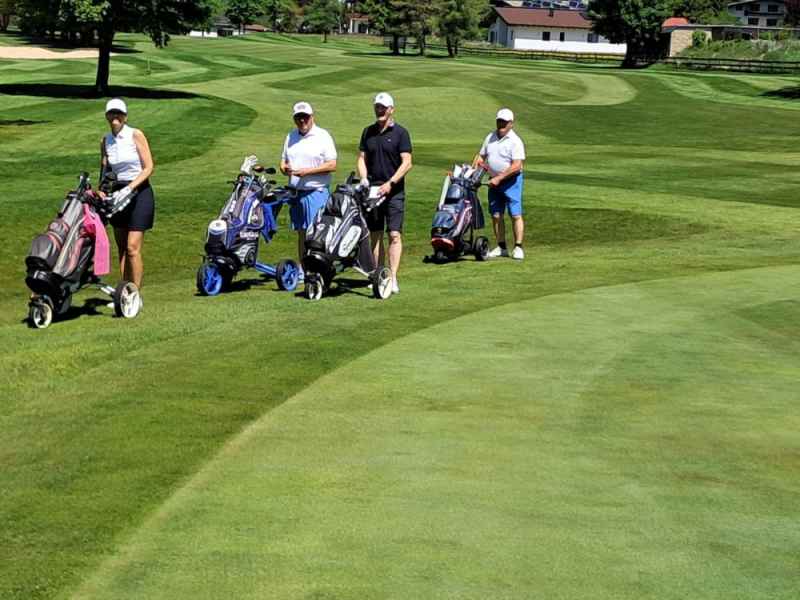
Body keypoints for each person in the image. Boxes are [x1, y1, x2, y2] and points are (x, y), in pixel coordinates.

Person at [356, 92, 412, 294]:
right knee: (375, 234)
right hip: (373, 191)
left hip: (394, 191)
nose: (379, 110)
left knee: (394, 234)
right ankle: (378, 275)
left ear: (391, 110)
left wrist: (391, 183)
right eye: (377, 107)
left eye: (383, 107)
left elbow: (407, 163)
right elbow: (361, 158)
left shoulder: (400, 133)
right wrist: (363, 178)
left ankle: (393, 277)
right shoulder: (368, 132)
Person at [99, 98, 155, 297]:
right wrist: (102, 190)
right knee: (122, 248)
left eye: (119, 113)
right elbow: (105, 169)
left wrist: (130, 187)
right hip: (117, 195)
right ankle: (124, 293)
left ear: (125, 116)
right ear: (107, 116)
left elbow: (149, 167)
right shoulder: (105, 140)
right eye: (111, 113)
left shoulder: (135, 134)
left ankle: (135, 295)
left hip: (139, 192)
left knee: (132, 247)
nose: (115, 117)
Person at [280, 101, 337, 262]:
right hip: (296, 193)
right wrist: (284, 168)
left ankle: (318, 268)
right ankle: (304, 268)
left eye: (305, 117)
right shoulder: (291, 136)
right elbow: (283, 162)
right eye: (298, 117)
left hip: (315, 192)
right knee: (302, 234)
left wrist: (306, 172)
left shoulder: (322, 136)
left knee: (316, 234)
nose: (302, 120)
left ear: (312, 117)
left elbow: (332, 165)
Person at [472, 108, 526, 260]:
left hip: (511, 181)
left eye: (504, 122)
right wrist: (473, 171)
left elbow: (517, 165)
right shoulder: (490, 137)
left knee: (515, 214)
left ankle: (518, 247)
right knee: (496, 215)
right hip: (494, 181)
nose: (501, 124)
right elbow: (480, 157)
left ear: (511, 124)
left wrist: (500, 178)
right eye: (499, 121)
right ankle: (501, 247)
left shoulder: (515, 141)